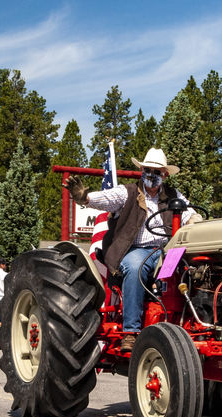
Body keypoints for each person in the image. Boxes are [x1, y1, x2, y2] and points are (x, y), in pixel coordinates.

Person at [66, 147, 200, 353]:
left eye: (157, 172)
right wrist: (85, 198)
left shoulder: (173, 196)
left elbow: (189, 213)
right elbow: (107, 199)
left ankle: (187, 322)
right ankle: (131, 331)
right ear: (142, 171)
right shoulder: (127, 192)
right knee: (136, 267)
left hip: (166, 250)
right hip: (136, 249)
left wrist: (195, 220)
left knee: (189, 270)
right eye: (148, 170)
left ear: (164, 175)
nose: (152, 175)